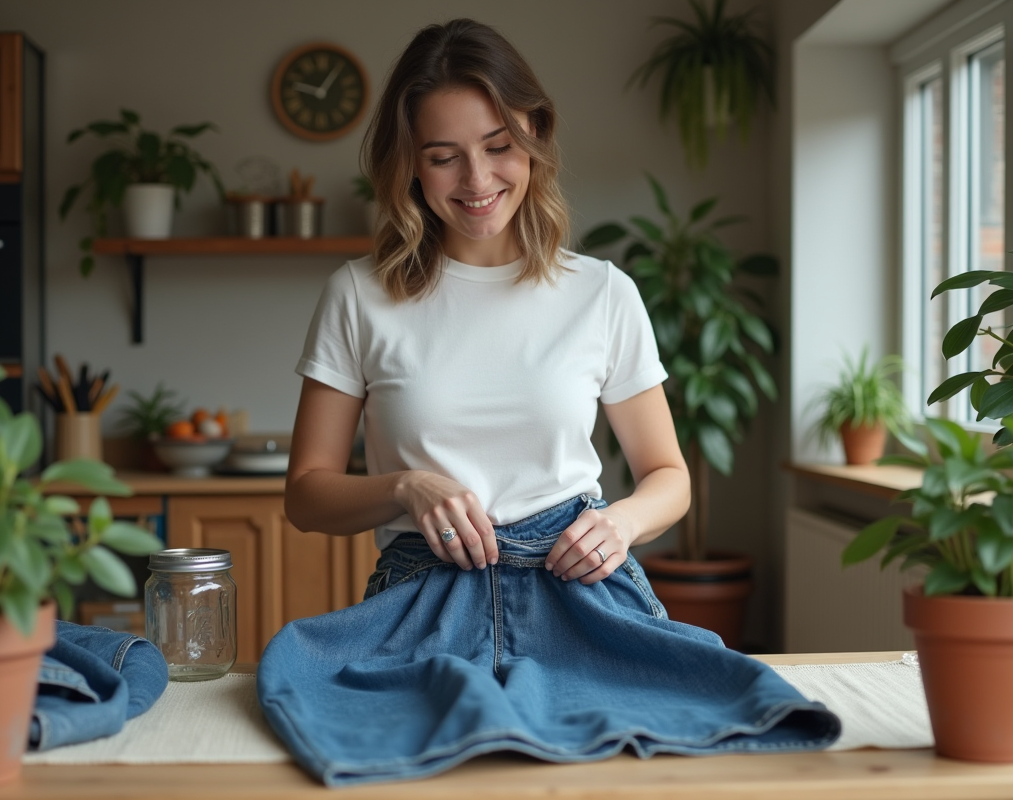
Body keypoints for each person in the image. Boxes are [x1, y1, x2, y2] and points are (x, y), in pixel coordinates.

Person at [258, 18, 839, 787]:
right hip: (419, 599)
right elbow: (306, 495)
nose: (476, 179)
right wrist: (403, 486)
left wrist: (621, 522)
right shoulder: (358, 296)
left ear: (534, 131)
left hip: (581, 591)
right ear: (410, 167)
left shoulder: (602, 292)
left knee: (678, 752)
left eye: (498, 144)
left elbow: (669, 472)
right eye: (443, 156)